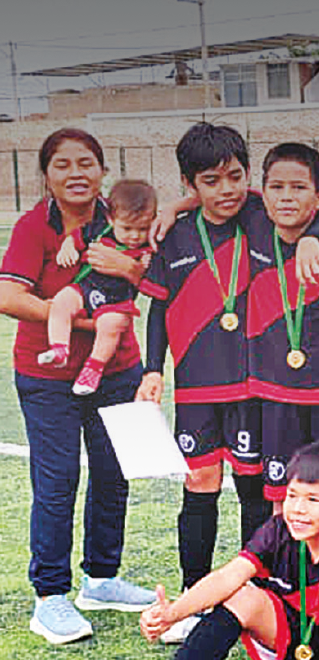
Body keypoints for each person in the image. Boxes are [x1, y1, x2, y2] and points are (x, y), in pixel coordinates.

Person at [0, 127, 156, 644]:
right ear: (45, 174)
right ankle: (50, 597)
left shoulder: (123, 215)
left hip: (121, 370)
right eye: (63, 164)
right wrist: (85, 319)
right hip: (47, 377)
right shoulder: (31, 226)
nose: (76, 174)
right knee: (58, 480)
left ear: (102, 169)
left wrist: (132, 268)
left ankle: (102, 579)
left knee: (115, 473)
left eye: (86, 162)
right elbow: (7, 296)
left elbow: (156, 274)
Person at [137, 123, 274, 642]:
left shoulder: (264, 216)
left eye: (236, 176)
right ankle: (192, 598)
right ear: (190, 183)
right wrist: (155, 368)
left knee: (254, 489)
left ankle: (253, 597)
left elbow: (294, 197)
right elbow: (158, 307)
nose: (227, 190)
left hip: (258, 384)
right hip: (197, 386)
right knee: (200, 486)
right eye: (211, 181)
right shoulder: (175, 233)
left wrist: (180, 200)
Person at [139, 440, 319, 660]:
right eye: (292, 495)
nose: (298, 508)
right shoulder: (278, 530)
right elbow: (227, 577)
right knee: (242, 596)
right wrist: (173, 613)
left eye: (312, 499)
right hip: (287, 634)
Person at [246, 142, 319, 505]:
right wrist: (174, 205)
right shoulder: (251, 224)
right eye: (276, 187)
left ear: (318, 196)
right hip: (275, 390)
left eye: (298, 188)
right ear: (263, 192)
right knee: (282, 499)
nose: (286, 197)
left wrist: (313, 237)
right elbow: (212, 193)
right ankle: (286, 564)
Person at [39, 179, 155, 396]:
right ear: (111, 219)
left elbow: (153, 281)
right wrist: (68, 246)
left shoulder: (151, 246)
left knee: (112, 326)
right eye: (127, 228)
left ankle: (93, 368)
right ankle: (59, 349)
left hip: (116, 302)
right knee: (62, 302)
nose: (134, 235)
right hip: (86, 289)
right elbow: (78, 235)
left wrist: (143, 267)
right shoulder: (100, 231)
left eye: (143, 228)